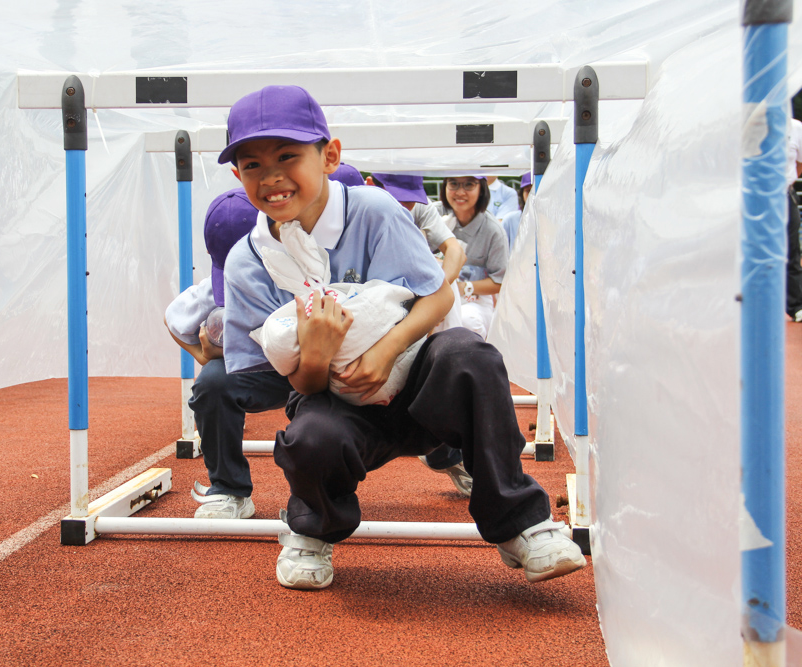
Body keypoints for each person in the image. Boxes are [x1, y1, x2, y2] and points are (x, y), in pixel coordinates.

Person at [219, 84, 585, 590]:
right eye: (252, 165)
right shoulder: (249, 260)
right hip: (338, 403)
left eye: (287, 156)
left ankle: (519, 523)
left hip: (419, 389)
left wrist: (387, 349)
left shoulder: (372, 211)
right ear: (237, 176)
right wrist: (317, 359)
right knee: (311, 435)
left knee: (471, 355)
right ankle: (312, 528)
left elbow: (438, 296)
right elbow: (292, 381)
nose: (271, 177)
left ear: (330, 156)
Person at [164, 188, 293, 519]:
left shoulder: (302, 274)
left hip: (310, 369)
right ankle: (229, 489)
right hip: (260, 375)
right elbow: (173, 318)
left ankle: (316, 495)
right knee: (212, 382)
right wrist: (203, 355)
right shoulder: (211, 290)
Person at [368, 172, 473, 498]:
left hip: (417, 295)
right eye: (398, 198)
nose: (406, 206)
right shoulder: (360, 213)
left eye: (411, 199)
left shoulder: (420, 210)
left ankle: (447, 448)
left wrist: (436, 287)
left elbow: (455, 252)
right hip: (372, 301)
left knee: (454, 350)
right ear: (371, 186)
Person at [437, 175, 509, 340]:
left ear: (481, 189)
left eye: (469, 185)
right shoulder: (434, 215)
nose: (460, 192)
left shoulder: (493, 230)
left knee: (466, 322)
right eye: (453, 184)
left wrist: (463, 287)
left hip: (474, 300)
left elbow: (499, 281)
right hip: (436, 295)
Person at [787, 118, 802, 322]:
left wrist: (787, 180)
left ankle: (796, 306)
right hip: (755, 199)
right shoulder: (752, 124)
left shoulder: (796, 127)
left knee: (792, 251)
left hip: (784, 196)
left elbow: (800, 163)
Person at [500, 171, 532, 251]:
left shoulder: (553, 221)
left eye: (537, 190)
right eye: (528, 191)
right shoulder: (510, 220)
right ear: (522, 194)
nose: (532, 195)